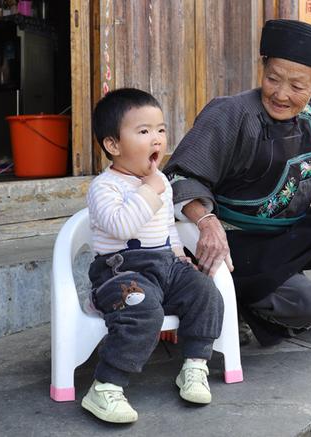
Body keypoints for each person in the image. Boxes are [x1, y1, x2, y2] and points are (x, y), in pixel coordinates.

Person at [164, 19, 311, 346]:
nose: (280, 94)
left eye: (297, 86)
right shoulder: (229, 113)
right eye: (273, 79)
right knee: (304, 304)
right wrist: (206, 222)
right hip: (235, 245)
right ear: (263, 69)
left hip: (286, 239)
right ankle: (234, 302)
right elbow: (181, 176)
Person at [83, 88, 224, 423]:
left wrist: (178, 254)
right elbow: (122, 226)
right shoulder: (104, 187)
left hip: (165, 265)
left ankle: (195, 365)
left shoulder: (159, 180)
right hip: (120, 273)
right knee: (142, 309)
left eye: (160, 129)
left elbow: (167, 228)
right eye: (144, 131)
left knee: (205, 291)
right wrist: (149, 189)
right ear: (113, 145)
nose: (157, 138)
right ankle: (106, 386)